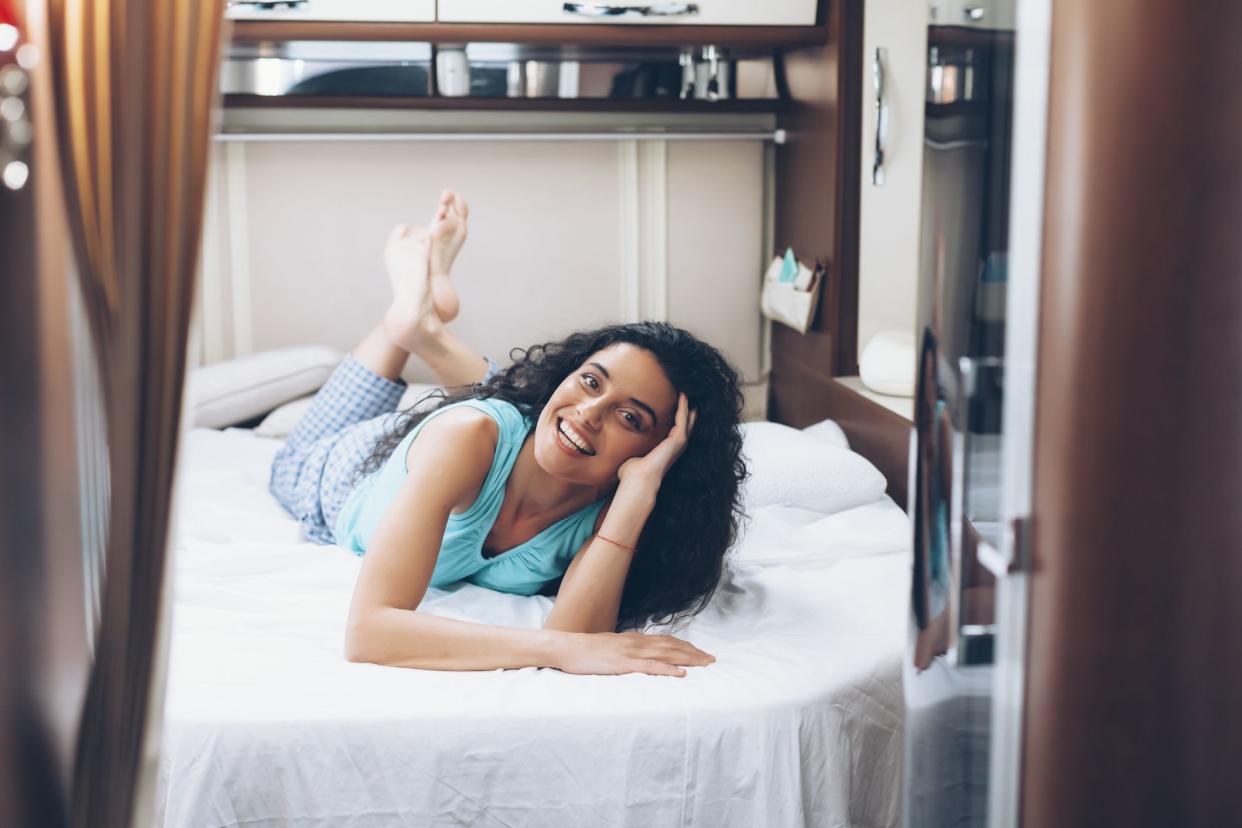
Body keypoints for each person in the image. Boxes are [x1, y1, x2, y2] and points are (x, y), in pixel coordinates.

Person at [270, 191, 747, 677]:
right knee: (492, 413)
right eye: (589, 380)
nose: (589, 413)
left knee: (521, 405)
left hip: (494, 436)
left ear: (660, 448)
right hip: (337, 466)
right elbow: (368, 633)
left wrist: (637, 494)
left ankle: (424, 322)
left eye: (631, 418)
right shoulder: (466, 435)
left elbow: (577, 636)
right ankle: (411, 325)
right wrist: (546, 648)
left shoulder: (617, 504)